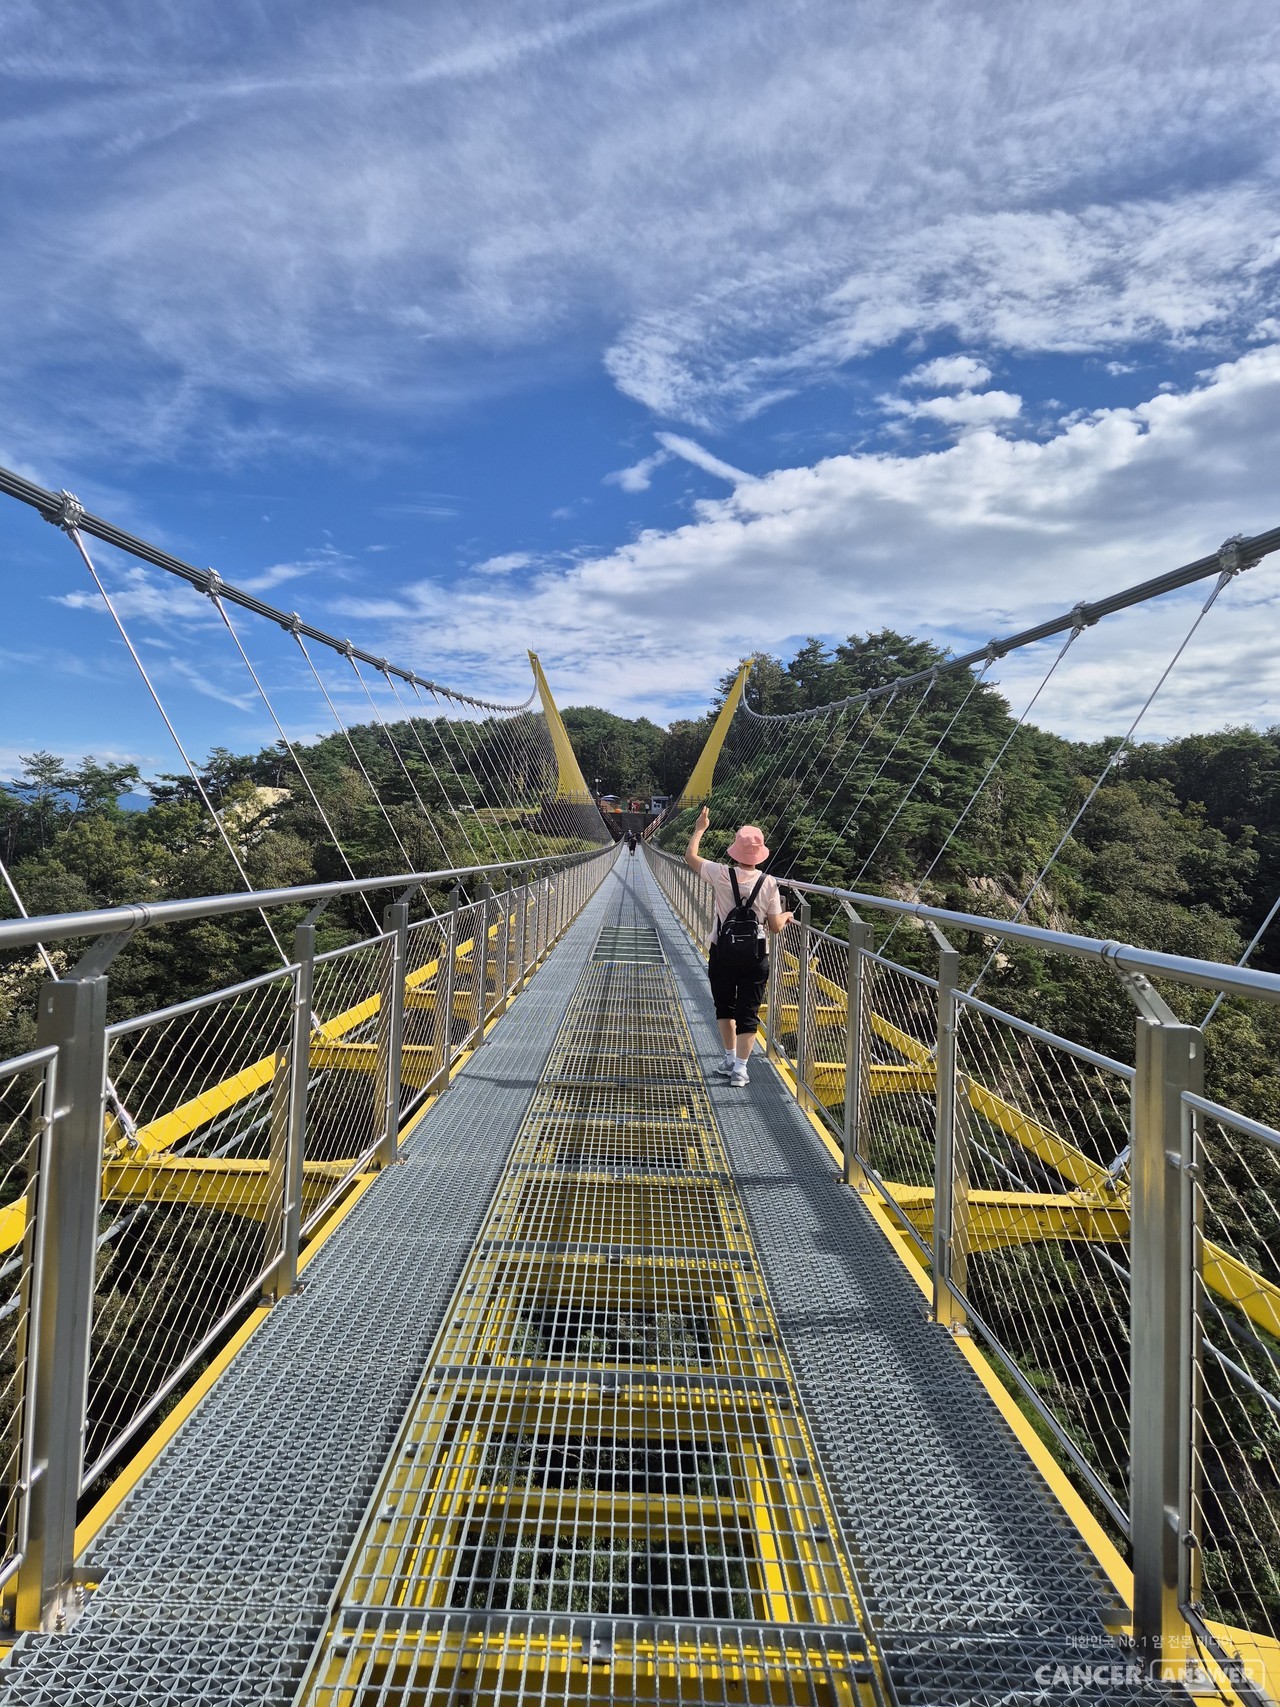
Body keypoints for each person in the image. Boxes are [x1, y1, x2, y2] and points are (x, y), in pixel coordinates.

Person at [684, 806, 792, 1086]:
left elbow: (690, 857)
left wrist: (700, 828)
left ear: (735, 850)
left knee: (725, 1006)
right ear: (760, 854)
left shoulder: (720, 873)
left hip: (722, 951)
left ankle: (729, 1058)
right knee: (749, 1010)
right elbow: (776, 926)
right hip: (756, 956)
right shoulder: (769, 883)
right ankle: (741, 1070)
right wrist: (787, 915)